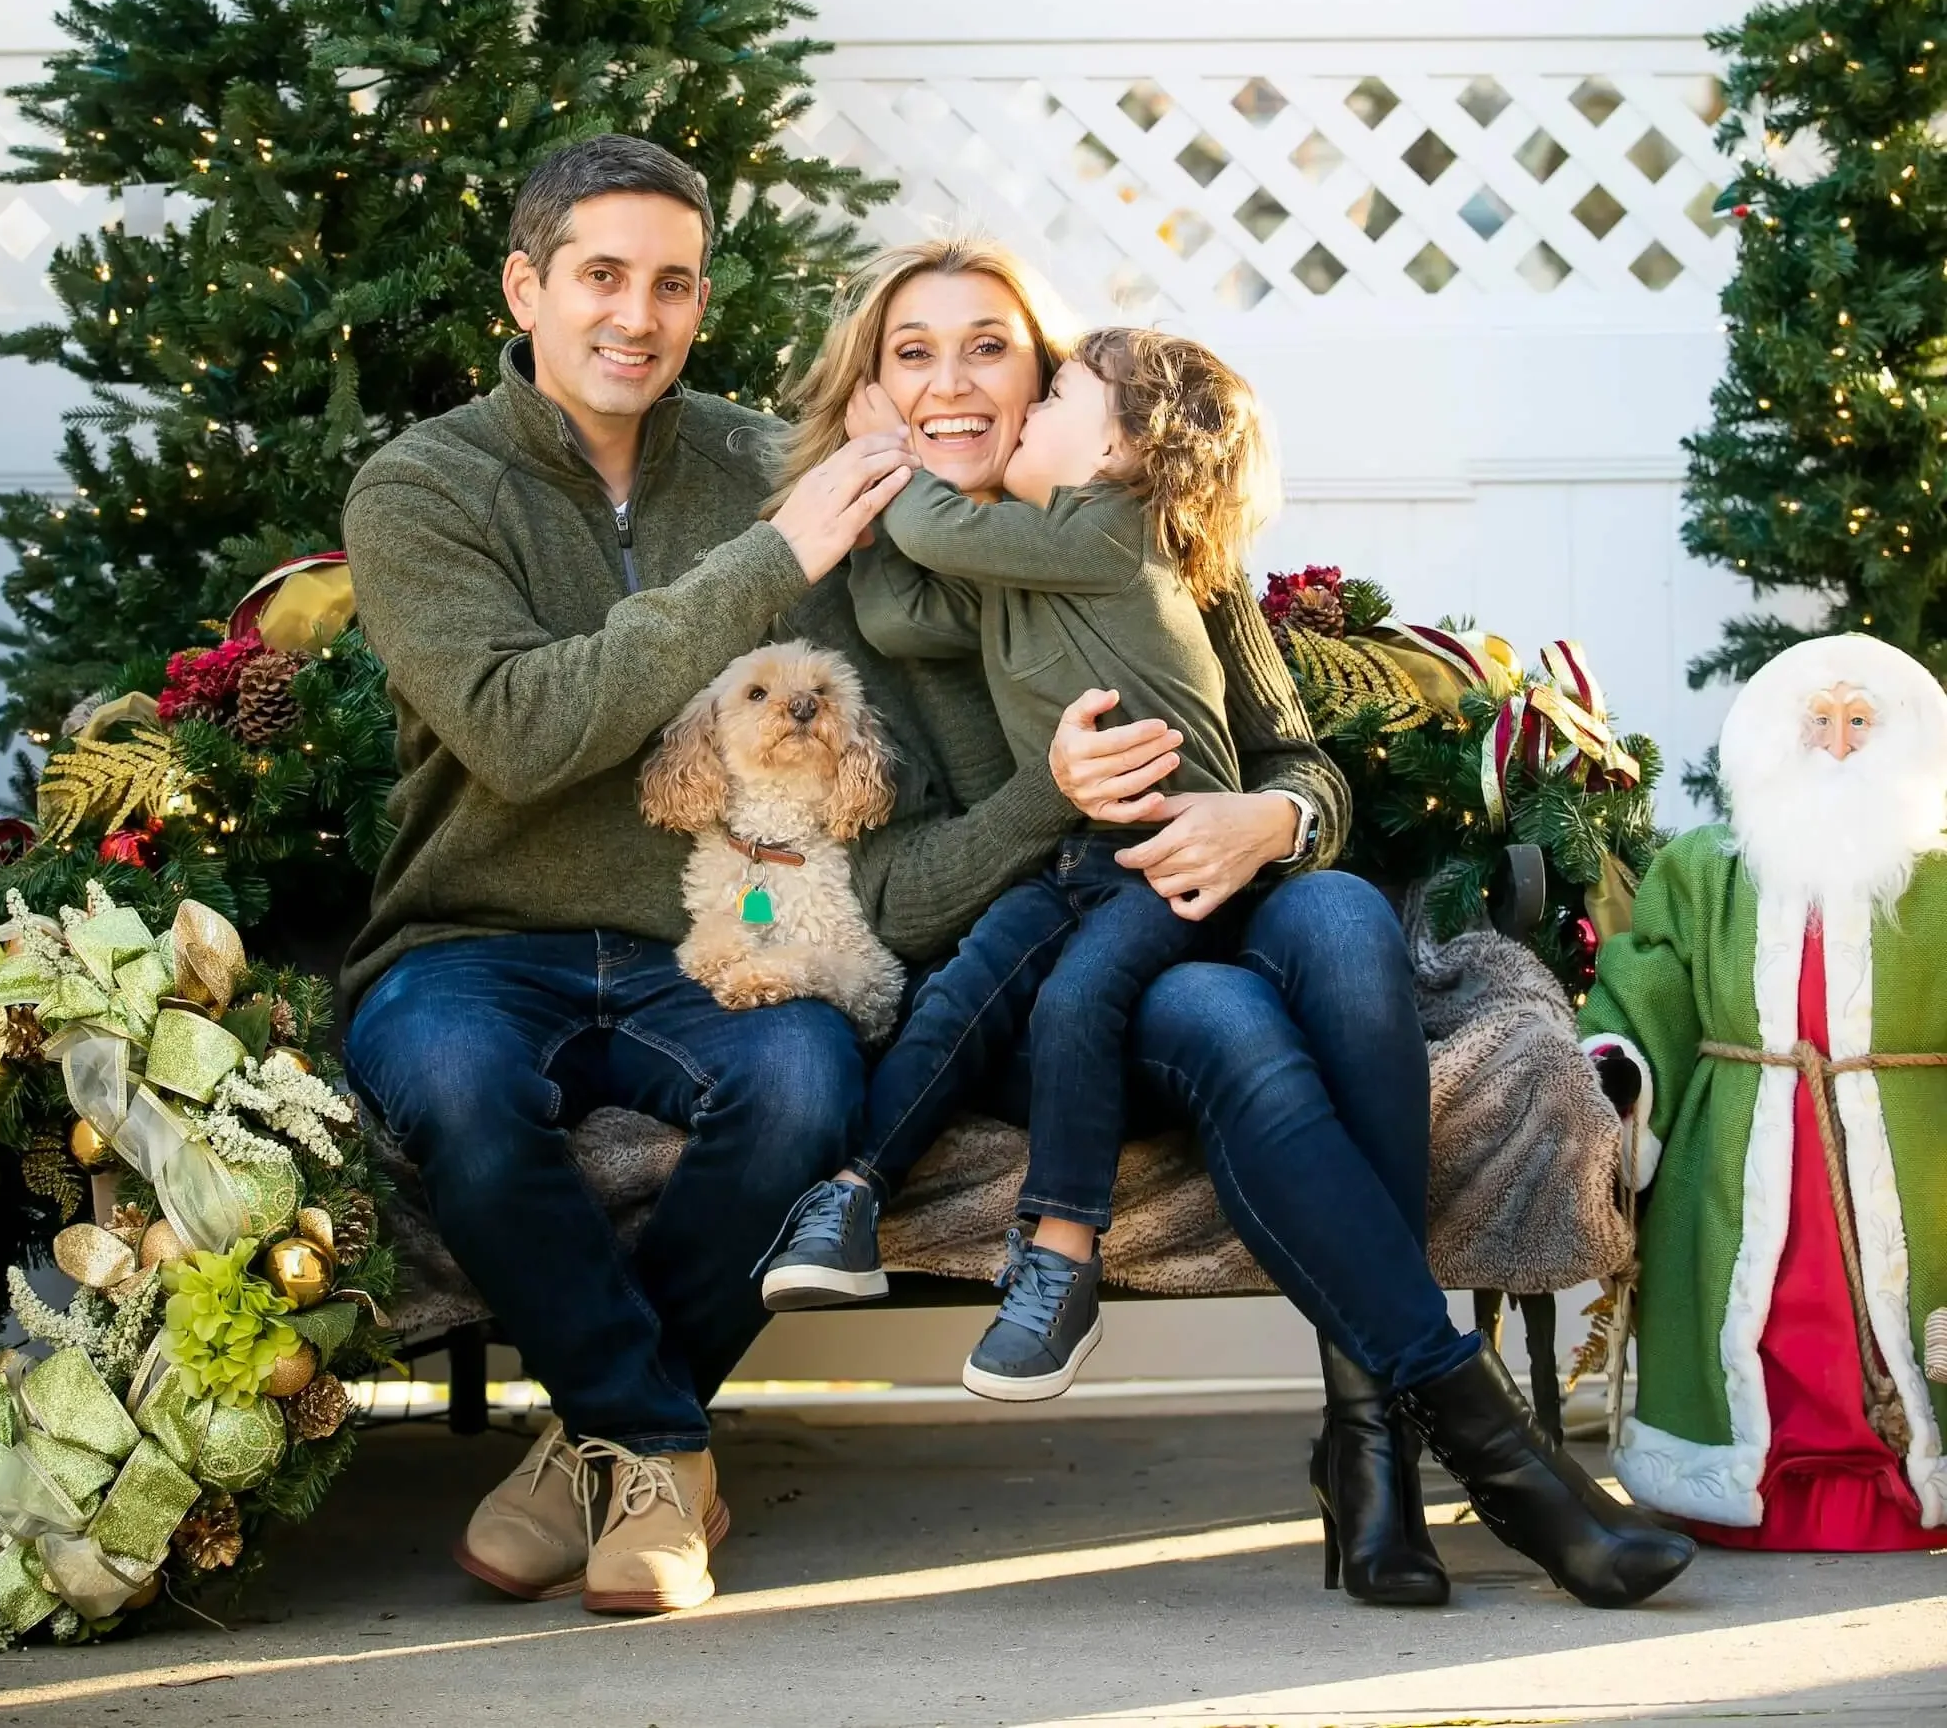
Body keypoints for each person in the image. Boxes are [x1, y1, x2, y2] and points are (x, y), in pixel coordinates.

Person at [774, 235, 1698, 1611]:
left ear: (1044, 384)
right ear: (869, 389)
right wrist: (1052, 793)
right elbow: (893, 897)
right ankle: (1488, 1461)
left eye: (989, 349)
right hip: (1050, 974)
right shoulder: (861, 590)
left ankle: (1370, 1437)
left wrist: (1270, 823)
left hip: (1214, 893)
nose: (955, 383)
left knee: (1332, 917)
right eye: (913, 354)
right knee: (1221, 1014)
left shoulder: (1141, 531)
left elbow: (1299, 761)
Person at [339, 134, 928, 1615]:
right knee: (459, 1088)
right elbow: (524, 731)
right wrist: (763, 560)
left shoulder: (750, 463)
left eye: (672, 284)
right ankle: (659, 1443)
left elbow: (899, 656)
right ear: (525, 287)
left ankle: (579, 1448)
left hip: (702, 940)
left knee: (803, 1079)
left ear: (701, 300)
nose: (637, 315)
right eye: (600, 275)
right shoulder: (423, 488)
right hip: (471, 938)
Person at [762, 329, 1276, 1400]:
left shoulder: (1109, 531)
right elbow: (900, 612)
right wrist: (865, 525)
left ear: (1120, 451)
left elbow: (936, 527)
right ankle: (852, 1196)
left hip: (1179, 858)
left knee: (1075, 1000)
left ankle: (1059, 1263)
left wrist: (884, 450)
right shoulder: (1027, 563)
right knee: (960, 993)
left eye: (1053, 403)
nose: (1028, 413)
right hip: (1085, 853)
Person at [1580, 634, 1947, 1550]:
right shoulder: (1707, 867)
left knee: (1897, 1314)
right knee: (1763, 1313)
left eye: (1860, 722)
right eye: (1816, 722)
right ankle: (1747, 1482)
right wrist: (1620, 1070)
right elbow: (1647, 982)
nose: (1837, 744)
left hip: (1913, 1152)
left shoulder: (1940, 878)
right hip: (1735, 1155)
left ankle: (1903, 1478)